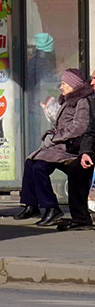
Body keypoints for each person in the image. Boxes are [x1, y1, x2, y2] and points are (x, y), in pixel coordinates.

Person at [13, 68, 92, 227]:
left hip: (69, 148)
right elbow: (59, 125)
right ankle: (31, 204)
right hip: (59, 146)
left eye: (64, 84)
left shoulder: (81, 102)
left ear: (73, 85)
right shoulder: (66, 100)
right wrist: (49, 135)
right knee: (30, 162)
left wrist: (56, 138)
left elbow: (79, 127)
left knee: (40, 167)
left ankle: (51, 207)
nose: (61, 87)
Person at [61, 70, 95, 231]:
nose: (92, 83)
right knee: (76, 168)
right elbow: (91, 130)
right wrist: (85, 153)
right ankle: (81, 218)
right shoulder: (93, 101)